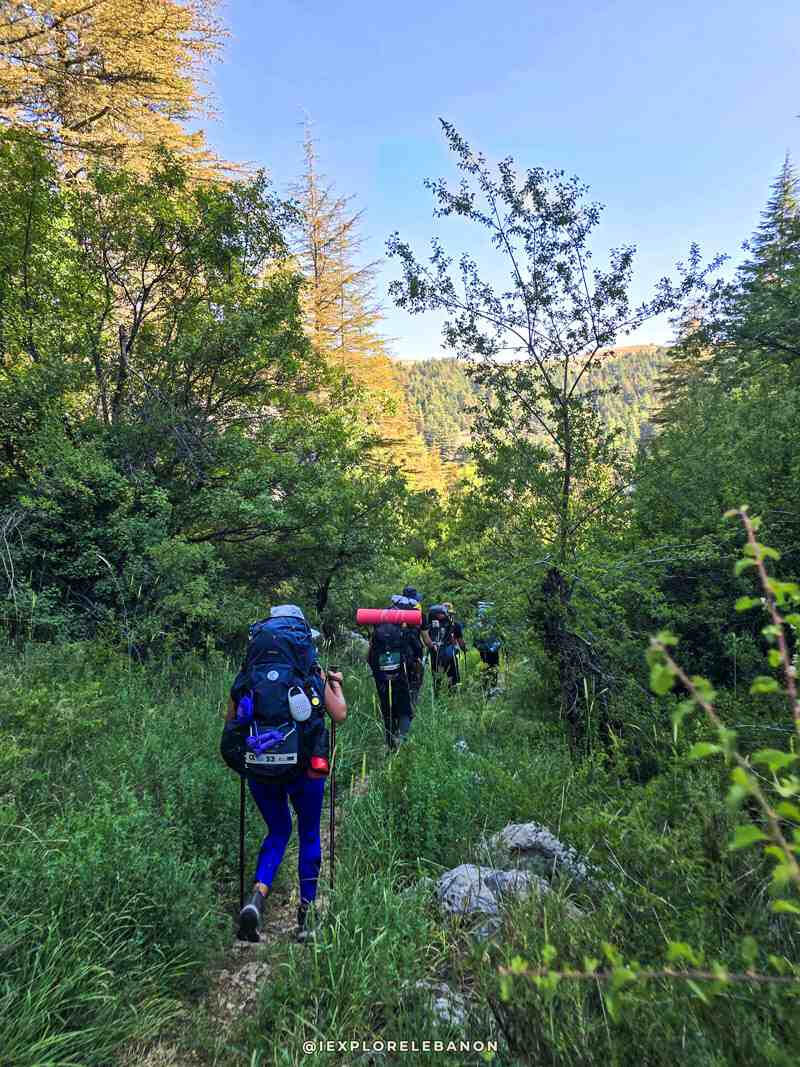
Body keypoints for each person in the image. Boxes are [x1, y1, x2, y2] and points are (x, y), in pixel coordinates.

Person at [225, 604, 346, 944]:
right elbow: (339, 715)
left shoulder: (249, 674)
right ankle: (306, 917)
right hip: (305, 768)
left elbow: (231, 723)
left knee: (278, 830)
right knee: (309, 834)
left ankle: (256, 898)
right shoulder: (311, 671)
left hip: (260, 767)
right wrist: (335, 686)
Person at [366, 599, 417, 749]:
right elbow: (410, 655)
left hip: (382, 680)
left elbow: (369, 657)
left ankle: (389, 743)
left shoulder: (377, 634)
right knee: (405, 710)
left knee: (387, 710)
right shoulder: (402, 632)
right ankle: (402, 741)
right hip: (400, 678)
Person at [422, 601, 466, 692]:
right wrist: (464, 649)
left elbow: (426, 638)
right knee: (453, 675)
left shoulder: (430, 624)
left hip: (435, 653)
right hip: (449, 653)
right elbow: (460, 641)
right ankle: (453, 693)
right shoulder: (455, 625)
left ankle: (437, 693)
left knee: (437, 675)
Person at [473, 600, 502, 691]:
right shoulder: (478, 626)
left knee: (494, 668)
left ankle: (493, 687)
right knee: (485, 669)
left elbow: (499, 638)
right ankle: (484, 688)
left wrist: (495, 647)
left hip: (494, 651)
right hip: (484, 652)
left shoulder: (494, 625)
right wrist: (483, 648)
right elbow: (475, 642)